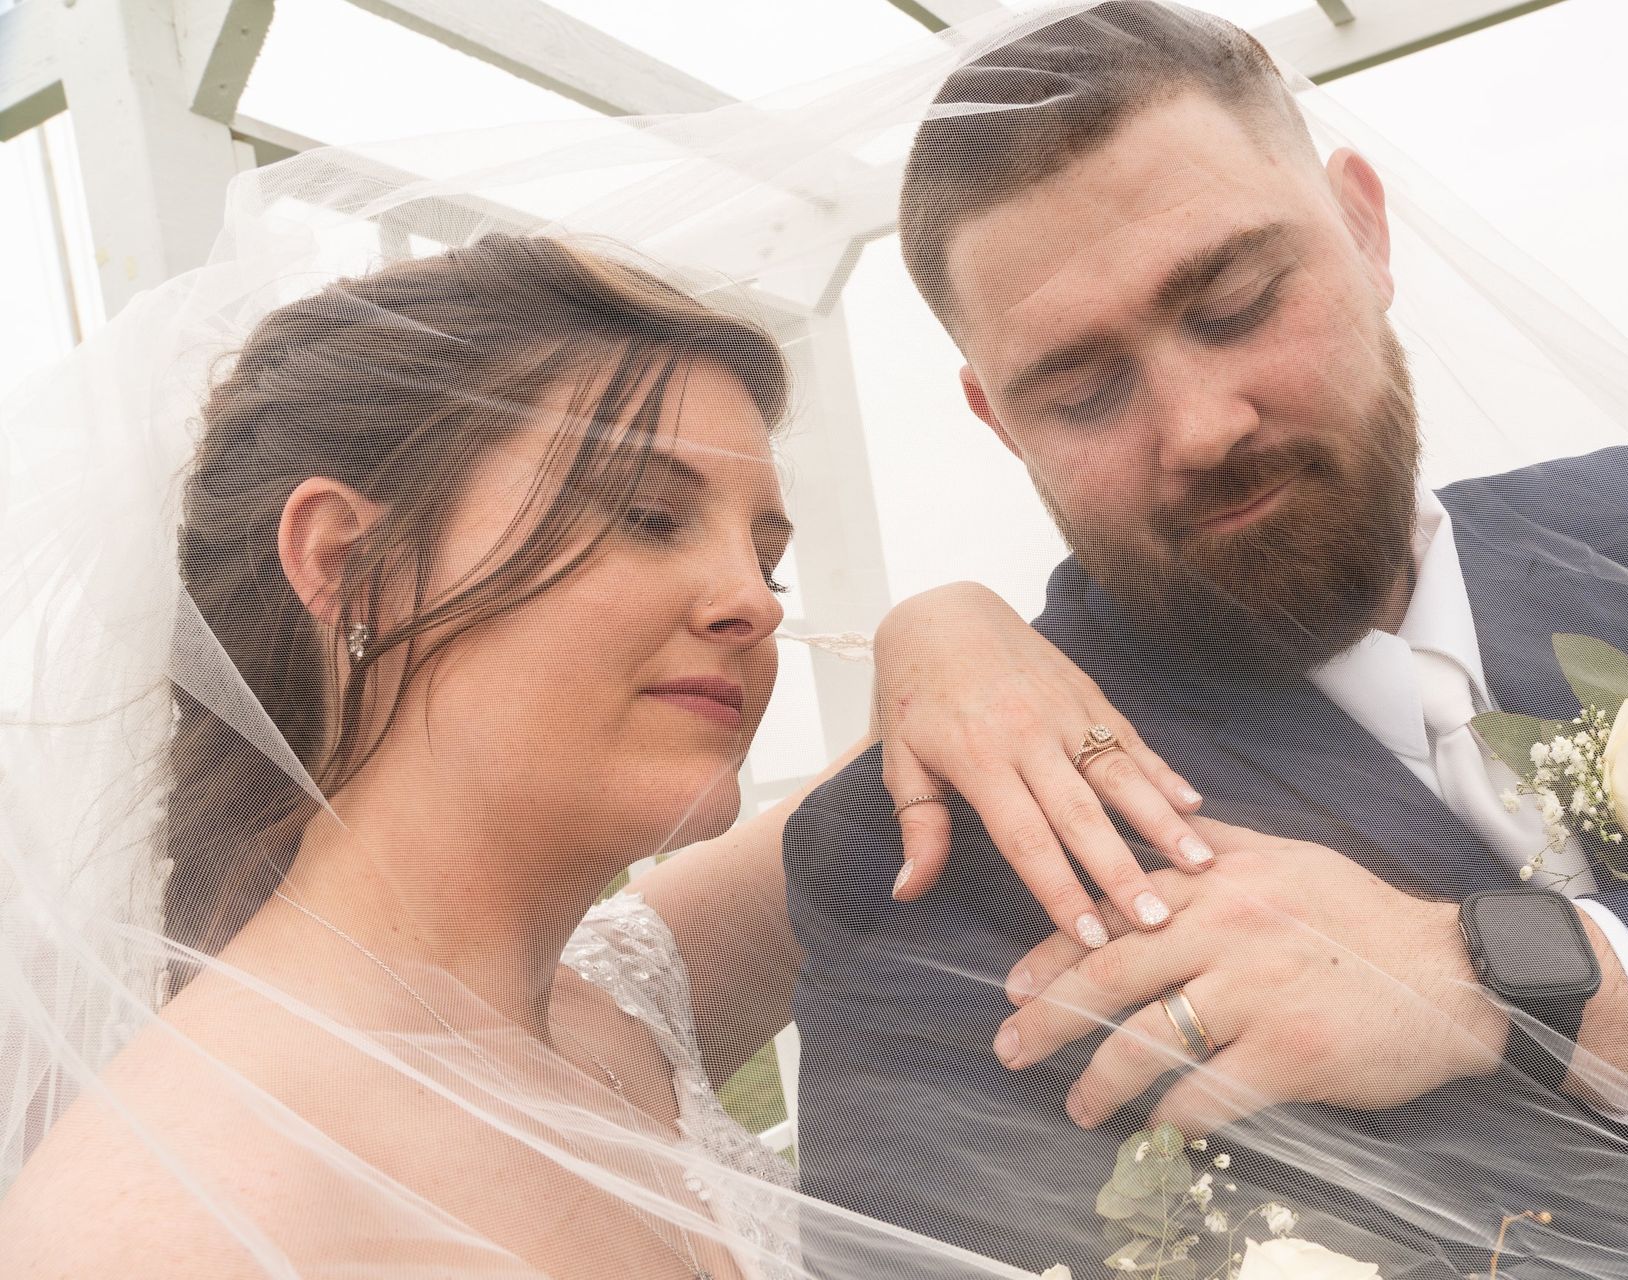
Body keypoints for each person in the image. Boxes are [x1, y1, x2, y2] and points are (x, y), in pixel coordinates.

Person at [782, 3, 1628, 1275]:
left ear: (1366, 231)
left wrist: (1506, 974)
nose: (1202, 424)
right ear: (998, 422)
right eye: (1084, 388)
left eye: (1237, 301)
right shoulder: (935, 859)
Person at [0, 233, 1212, 1278]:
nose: (752, 598)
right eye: (644, 515)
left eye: (768, 553)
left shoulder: (621, 1000)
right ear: (340, 558)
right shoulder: (158, 1218)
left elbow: (936, 759)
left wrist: (945, 620)